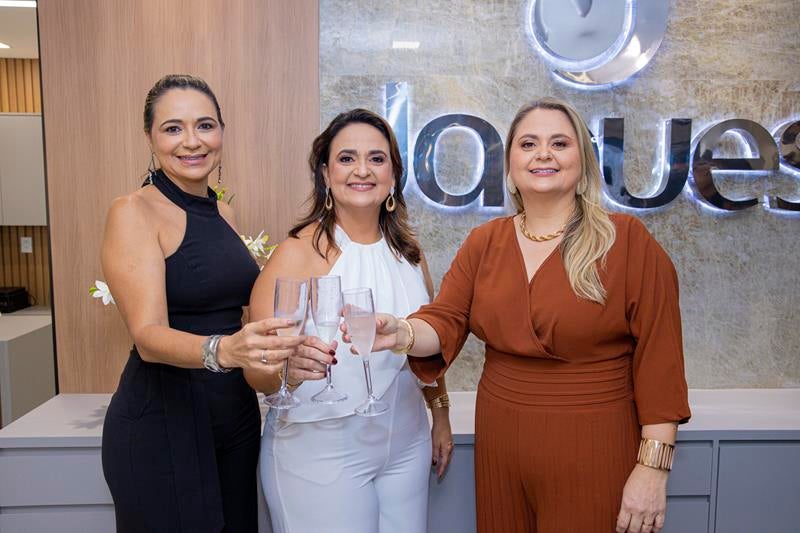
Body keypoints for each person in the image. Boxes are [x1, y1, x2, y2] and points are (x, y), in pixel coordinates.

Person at [354, 97, 691, 533]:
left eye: (559, 143)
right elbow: (444, 319)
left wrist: (653, 469)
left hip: (595, 442)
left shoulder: (627, 242)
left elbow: (661, 363)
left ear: (583, 162)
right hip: (502, 443)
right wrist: (401, 332)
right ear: (510, 164)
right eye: (528, 144)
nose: (543, 154)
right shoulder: (485, 242)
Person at [100, 74, 333, 532]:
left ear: (221, 132)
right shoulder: (132, 211)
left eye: (205, 125)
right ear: (149, 137)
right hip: (162, 423)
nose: (192, 141)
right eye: (173, 128)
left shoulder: (223, 211)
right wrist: (225, 350)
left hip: (234, 418)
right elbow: (147, 336)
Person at [245, 108, 453, 533]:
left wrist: (441, 415)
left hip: (407, 443)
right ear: (325, 173)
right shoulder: (297, 254)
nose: (362, 170)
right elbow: (255, 371)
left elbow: (426, 341)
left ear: (394, 174)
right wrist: (287, 371)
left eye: (377, 158)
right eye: (346, 158)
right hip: (320, 450)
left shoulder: (410, 254)